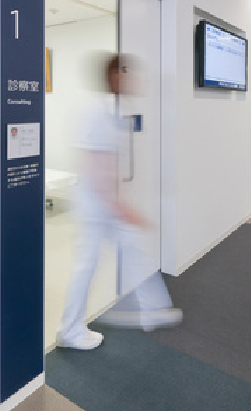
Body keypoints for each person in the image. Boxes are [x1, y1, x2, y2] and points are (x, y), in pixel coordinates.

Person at [56, 54, 182, 350]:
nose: (135, 80)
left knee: (132, 250)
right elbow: (95, 168)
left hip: (106, 202)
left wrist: (119, 205)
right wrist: (121, 208)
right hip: (95, 204)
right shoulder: (95, 111)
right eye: (128, 74)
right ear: (115, 76)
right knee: (87, 265)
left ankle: (152, 309)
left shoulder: (113, 110)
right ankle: (69, 331)